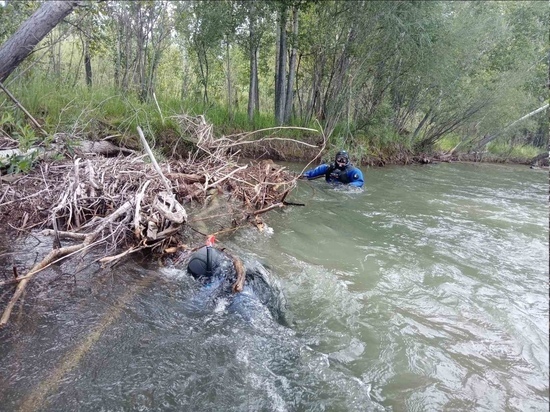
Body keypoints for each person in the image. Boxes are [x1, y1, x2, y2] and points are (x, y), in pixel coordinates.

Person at [186, 244, 289, 325]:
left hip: (246, 305)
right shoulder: (251, 268)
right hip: (270, 297)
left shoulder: (214, 287)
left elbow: (193, 309)